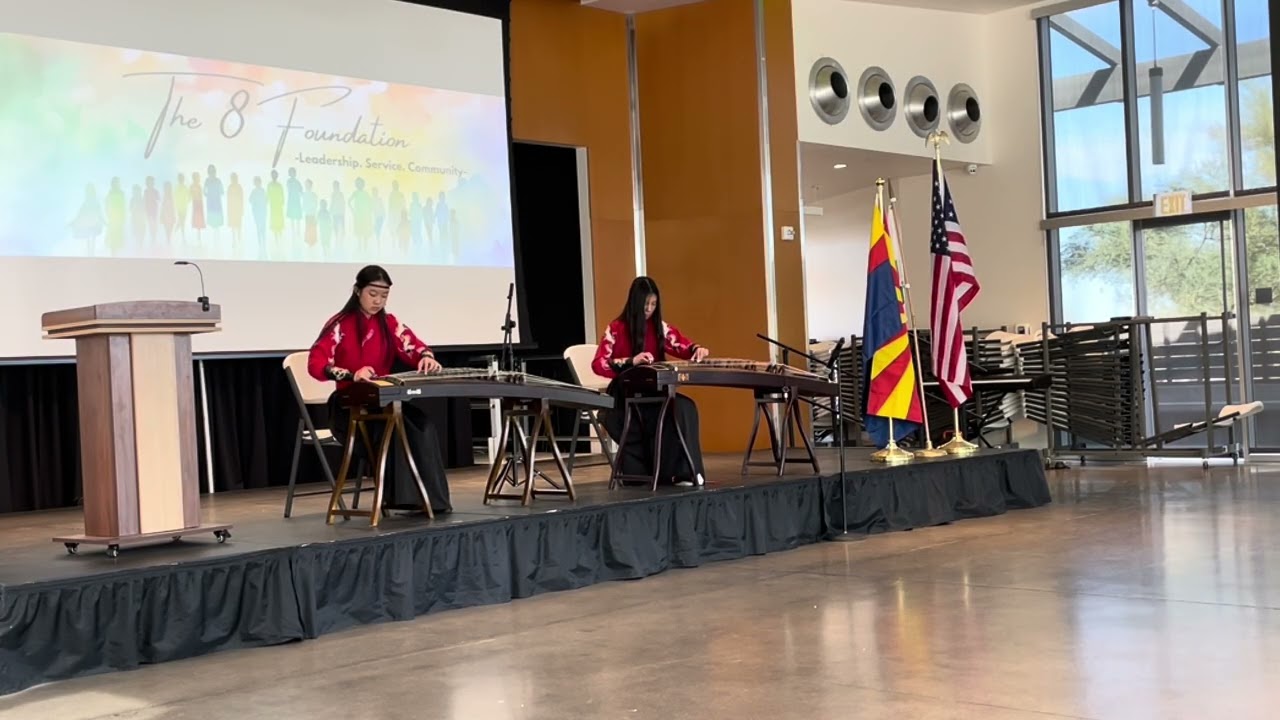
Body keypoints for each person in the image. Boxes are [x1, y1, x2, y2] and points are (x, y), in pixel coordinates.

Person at [307, 265, 452, 514]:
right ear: (357, 291)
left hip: (381, 401)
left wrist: (425, 357)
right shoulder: (340, 324)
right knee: (395, 427)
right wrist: (353, 374)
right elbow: (316, 364)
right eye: (372, 294)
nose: (378, 301)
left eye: (383, 296)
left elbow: (413, 346)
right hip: (348, 405)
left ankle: (430, 501)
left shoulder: (389, 323)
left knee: (421, 425)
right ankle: (403, 499)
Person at [592, 276, 709, 486]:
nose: (649, 309)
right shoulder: (616, 329)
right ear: (635, 303)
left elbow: (682, 346)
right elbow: (599, 363)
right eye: (645, 304)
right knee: (673, 408)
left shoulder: (659, 328)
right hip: (626, 395)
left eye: (653, 304)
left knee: (685, 407)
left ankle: (685, 471)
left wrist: (696, 349)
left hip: (653, 391)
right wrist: (630, 361)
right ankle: (671, 472)